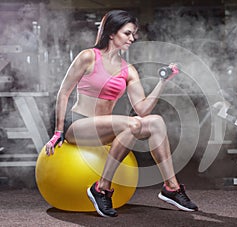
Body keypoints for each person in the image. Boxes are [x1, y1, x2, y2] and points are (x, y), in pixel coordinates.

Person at [45, 10, 198, 217]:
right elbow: (64, 92)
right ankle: (101, 188)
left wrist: (163, 82)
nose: (132, 39)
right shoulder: (88, 57)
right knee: (133, 125)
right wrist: (58, 131)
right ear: (111, 33)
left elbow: (142, 109)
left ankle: (171, 188)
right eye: (127, 33)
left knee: (156, 122)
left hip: (106, 129)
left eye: (133, 34)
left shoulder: (128, 70)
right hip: (80, 126)